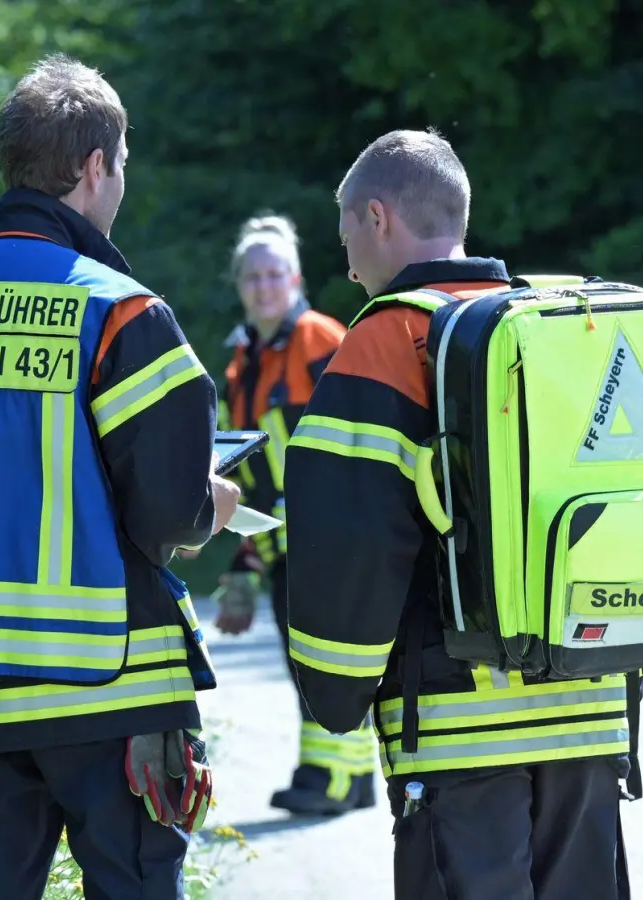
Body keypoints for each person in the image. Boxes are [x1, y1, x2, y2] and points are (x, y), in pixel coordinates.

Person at [0, 54, 242, 900]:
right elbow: (167, 509)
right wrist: (213, 505)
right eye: (123, 166)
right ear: (94, 166)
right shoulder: (121, 309)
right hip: (115, 688)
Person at [283, 129, 632, 898]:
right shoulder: (550, 325)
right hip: (588, 716)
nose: (344, 258)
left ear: (378, 217)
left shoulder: (383, 342)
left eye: (345, 230)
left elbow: (350, 544)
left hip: (455, 735)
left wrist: (334, 694)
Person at [200, 213, 378, 815]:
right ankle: (349, 779)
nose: (264, 284)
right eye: (253, 275)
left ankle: (327, 778)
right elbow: (250, 474)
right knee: (314, 662)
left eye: (275, 272)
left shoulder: (321, 342)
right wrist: (244, 568)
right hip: (283, 542)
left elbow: (353, 439)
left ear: (295, 277)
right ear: (239, 284)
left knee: (326, 660)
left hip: (330, 536)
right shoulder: (239, 364)